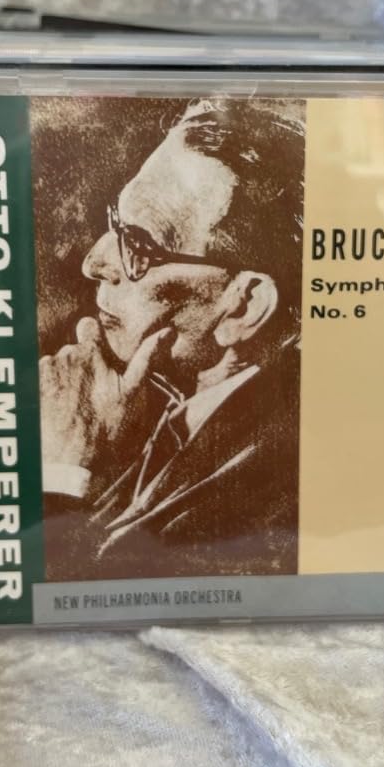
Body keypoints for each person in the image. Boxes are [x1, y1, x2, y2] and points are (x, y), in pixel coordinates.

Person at [40, 97, 305, 580]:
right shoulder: (159, 413)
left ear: (243, 307)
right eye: (114, 225)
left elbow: (80, 602)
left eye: (139, 245)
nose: (94, 263)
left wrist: (60, 473)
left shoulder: (270, 496)